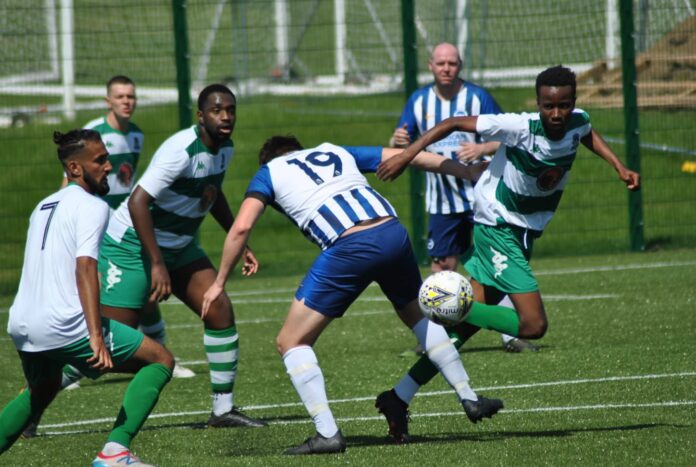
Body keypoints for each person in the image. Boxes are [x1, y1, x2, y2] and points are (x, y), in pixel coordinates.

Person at [374, 65, 641, 441]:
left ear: (574, 103)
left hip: (523, 231)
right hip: (498, 227)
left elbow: (586, 134)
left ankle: (398, 397)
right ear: (538, 103)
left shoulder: (577, 122)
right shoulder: (520, 127)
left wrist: (619, 166)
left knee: (463, 330)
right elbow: (451, 123)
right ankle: (442, 303)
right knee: (533, 325)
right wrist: (405, 156)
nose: (557, 114)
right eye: (549, 106)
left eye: (564, 105)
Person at [201, 136, 507, 454]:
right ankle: (468, 396)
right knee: (417, 315)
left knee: (291, 342)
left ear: (268, 160)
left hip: (350, 246)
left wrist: (220, 282)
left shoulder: (270, 172)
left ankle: (327, 433)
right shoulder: (334, 151)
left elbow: (240, 227)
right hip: (392, 232)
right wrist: (467, 172)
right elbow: (410, 156)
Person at [1, 129, 174, 466]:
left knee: (42, 389)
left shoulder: (42, 206)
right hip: (65, 323)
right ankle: (115, 452)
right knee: (160, 360)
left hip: (22, 323)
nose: (108, 166)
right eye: (100, 160)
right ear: (76, 168)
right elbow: (85, 268)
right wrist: (96, 335)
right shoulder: (93, 207)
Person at [96, 83, 265, 428]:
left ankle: (222, 410)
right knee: (108, 344)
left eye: (230, 110)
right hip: (132, 245)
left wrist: (240, 238)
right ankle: (33, 403)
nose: (226, 116)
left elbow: (211, 193)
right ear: (200, 116)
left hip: (181, 244)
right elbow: (137, 201)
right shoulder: (181, 150)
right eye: (217, 110)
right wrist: (157, 264)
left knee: (218, 309)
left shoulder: (225, 149)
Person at [390, 42, 535, 353]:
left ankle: (512, 334)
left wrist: (482, 148)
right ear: (430, 65)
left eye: (452, 63)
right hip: (442, 201)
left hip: (483, 199)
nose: (446, 68)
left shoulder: (478, 97)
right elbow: (403, 140)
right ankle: (439, 337)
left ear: (460, 66)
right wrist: (397, 139)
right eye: (440, 63)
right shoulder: (418, 101)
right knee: (442, 267)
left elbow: (510, 137)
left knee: (500, 264)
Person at [55, 76, 193, 396]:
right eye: (120, 97)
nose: (126, 101)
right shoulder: (93, 135)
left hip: (126, 224)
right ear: (108, 101)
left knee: (144, 288)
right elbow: (69, 181)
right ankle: (74, 363)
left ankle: (161, 354)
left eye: (131, 96)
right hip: (97, 226)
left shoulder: (136, 136)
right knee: (100, 294)